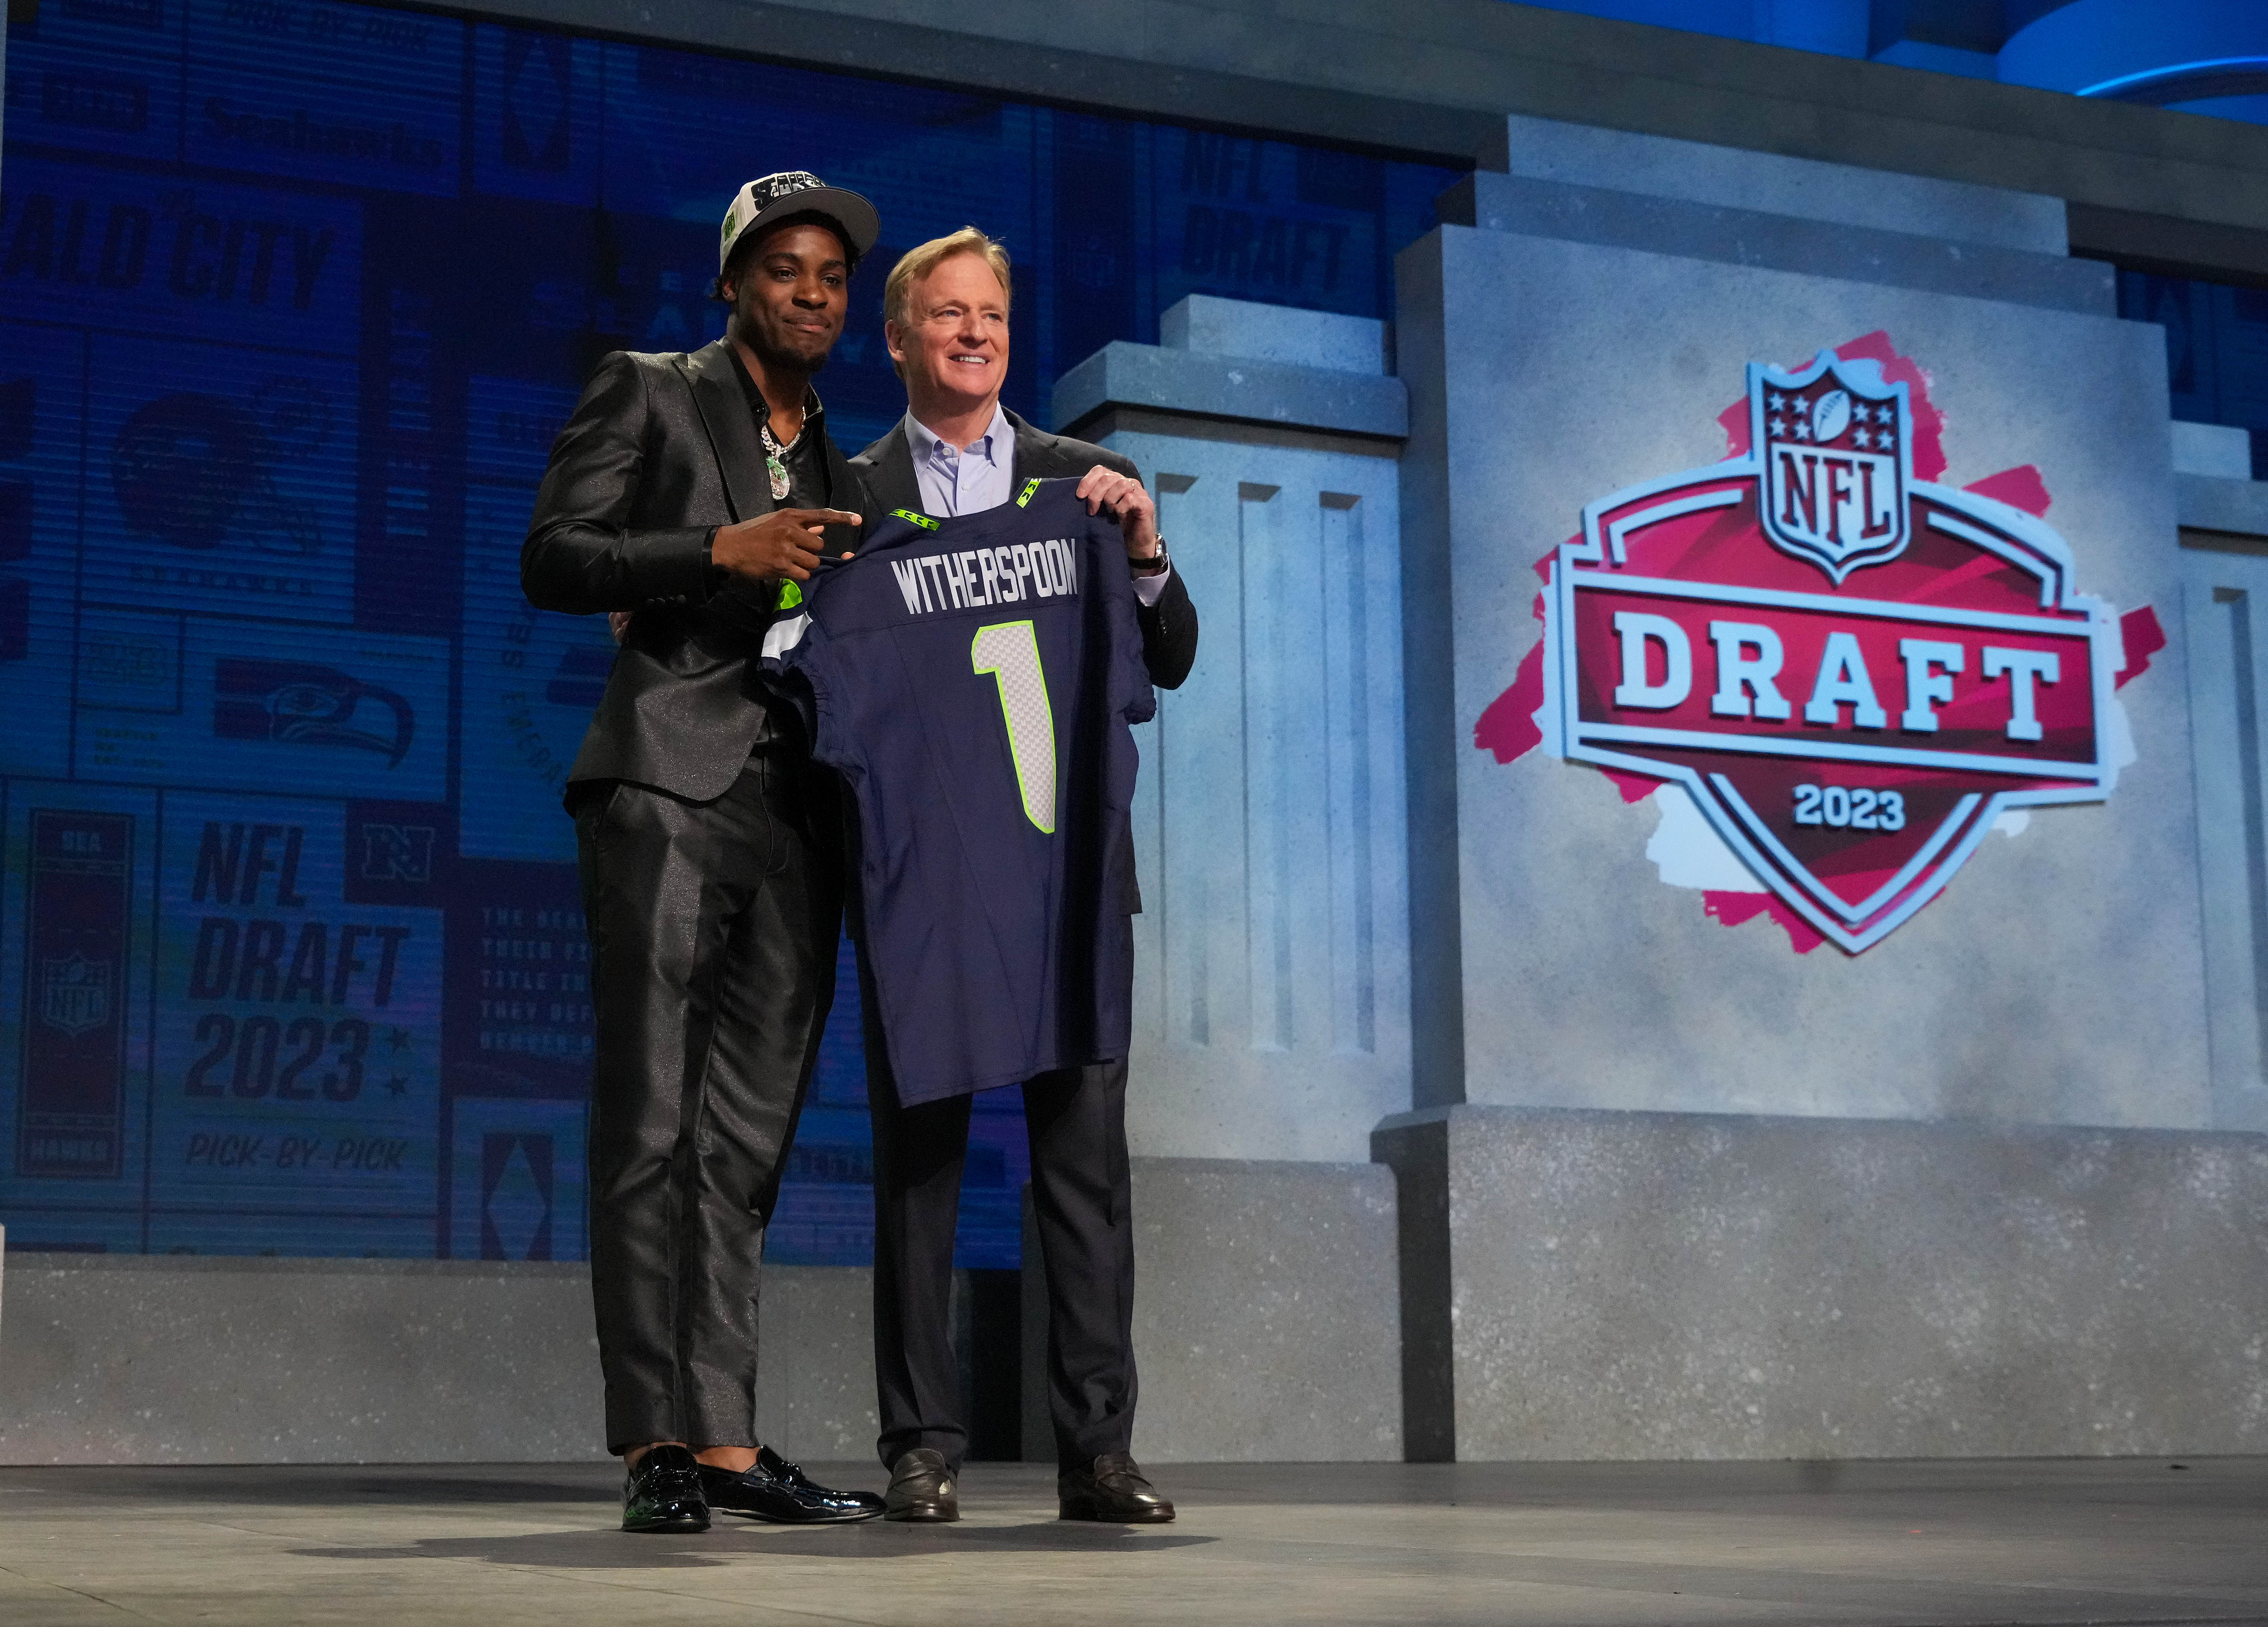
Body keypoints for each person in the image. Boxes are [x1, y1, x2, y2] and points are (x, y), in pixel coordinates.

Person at [522, 171, 886, 1534]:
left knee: (746, 1139)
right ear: (732, 282)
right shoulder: (652, 390)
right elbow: (555, 557)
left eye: (832, 278)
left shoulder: (849, 465)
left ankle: (727, 1442)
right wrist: (711, 551)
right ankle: (655, 1445)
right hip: (668, 779)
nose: (812, 294)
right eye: (785, 270)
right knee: (650, 1124)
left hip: (798, 815)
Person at [848, 228, 1199, 1525]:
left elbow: (1169, 657)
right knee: (919, 1175)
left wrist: (1145, 553)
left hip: (1066, 884)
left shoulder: (1084, 484)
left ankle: (1097, 1454)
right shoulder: (852, 491)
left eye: (990, 313)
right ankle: (920, 1447)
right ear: (899, 338)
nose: (974, 333)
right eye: (947, 314)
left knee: (1083, 1175)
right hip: (924, 889)